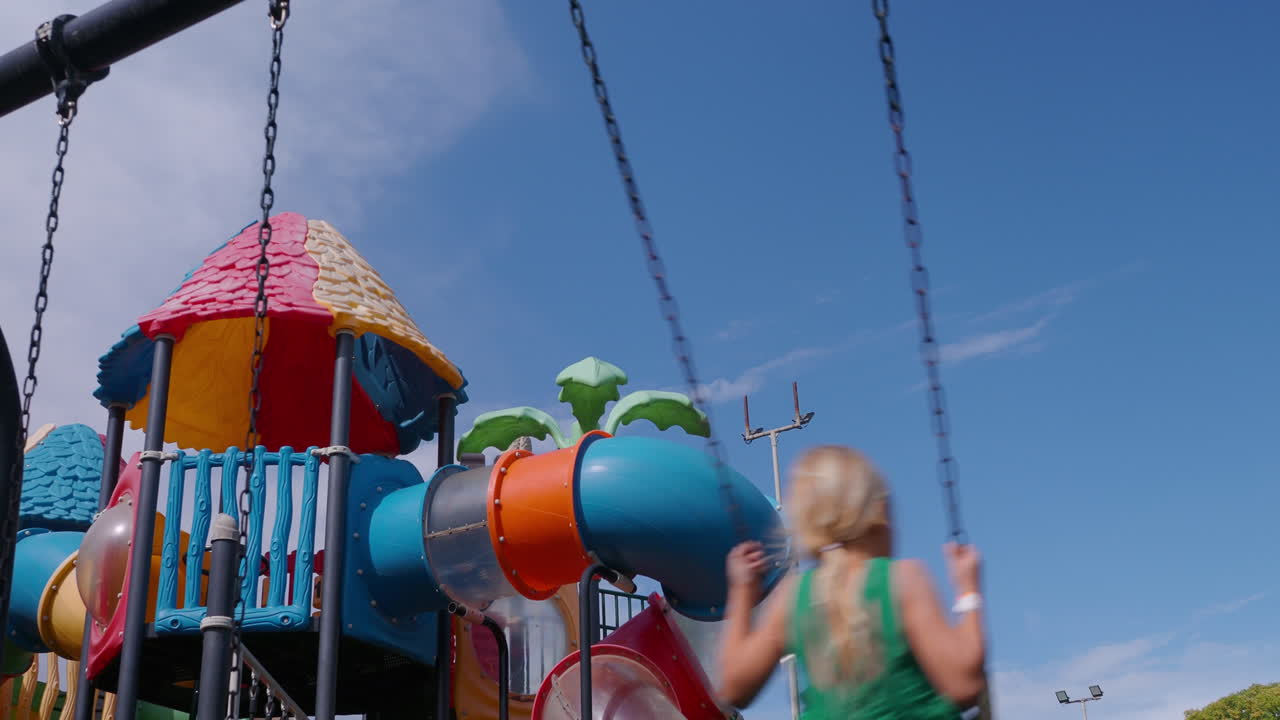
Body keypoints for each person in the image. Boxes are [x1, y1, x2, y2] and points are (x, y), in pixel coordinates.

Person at [716, 445, 987, 719]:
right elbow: (964, 685)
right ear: (879, 511)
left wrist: (742, 591)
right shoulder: (903, 579)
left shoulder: (793, 597)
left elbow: (735, 689)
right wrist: (969, 591)